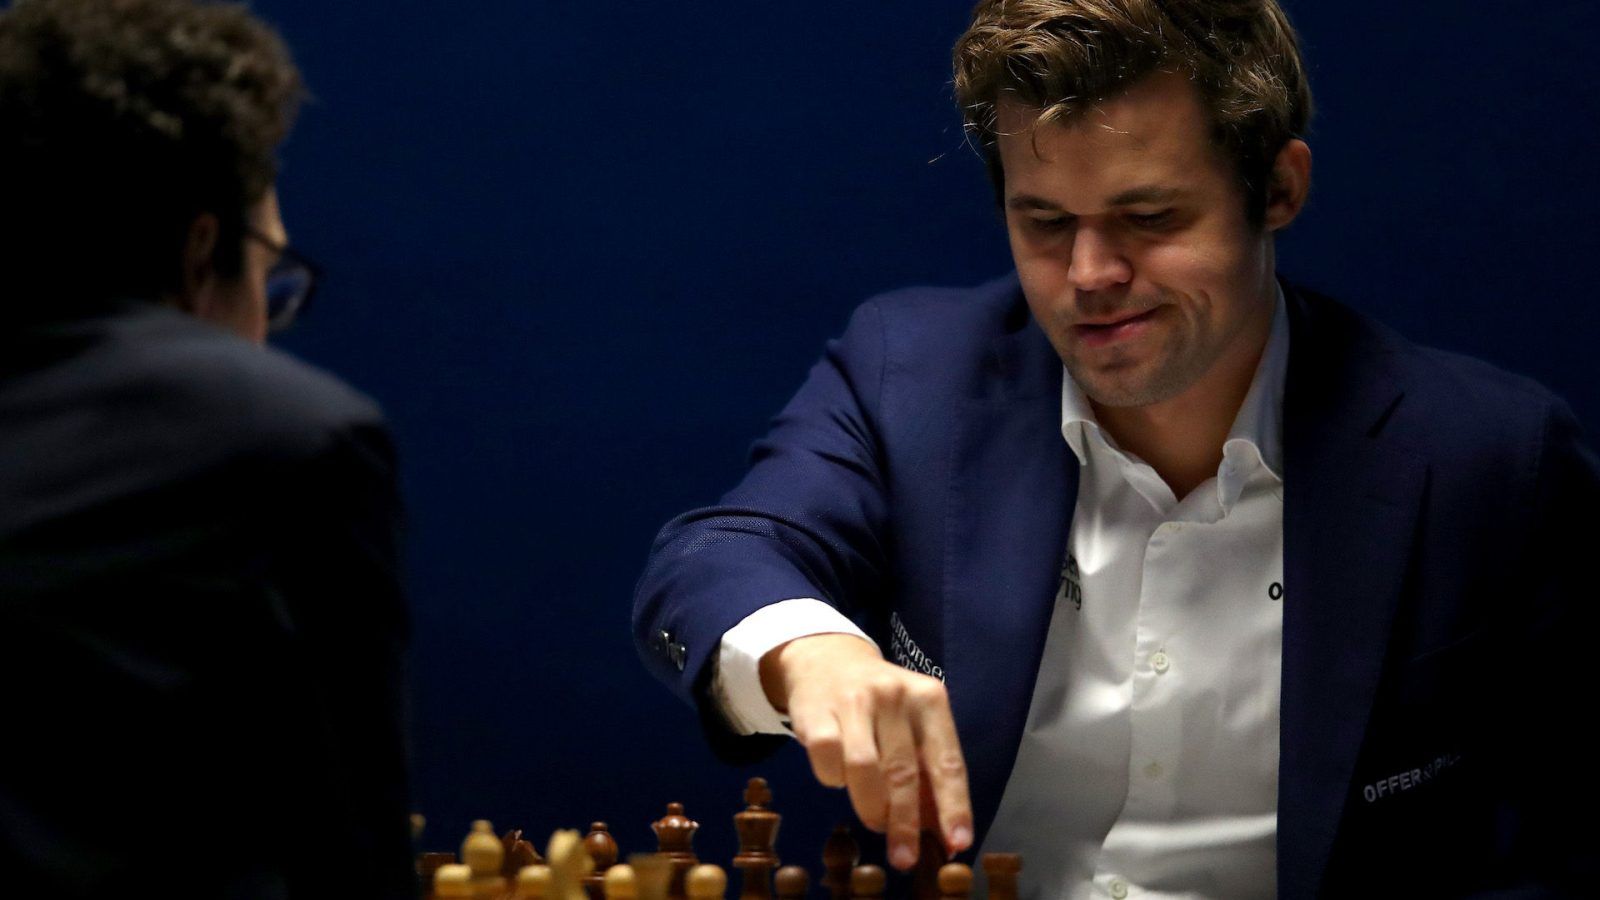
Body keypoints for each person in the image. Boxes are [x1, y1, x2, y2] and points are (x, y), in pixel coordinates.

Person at [633, 0, 1599, 896]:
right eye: (1044, 221)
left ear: (1279, 189)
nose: (1090, 276)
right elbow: (717, 553)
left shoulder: (1495, 457)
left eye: (1150, 218)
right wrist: (810, 653)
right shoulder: (907, 372)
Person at [0, 1, 413, 895]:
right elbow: (343, 852)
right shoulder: (283, 440)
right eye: (270, 276)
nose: (263, 329)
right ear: (201, 251)